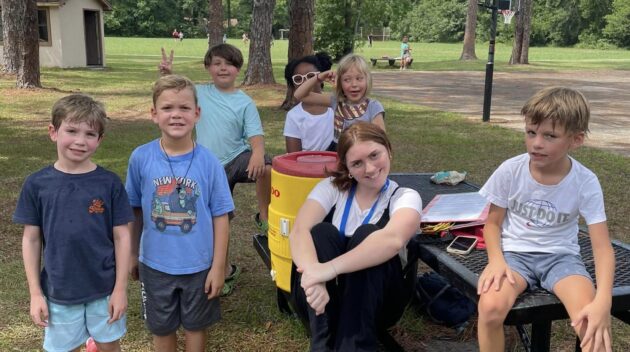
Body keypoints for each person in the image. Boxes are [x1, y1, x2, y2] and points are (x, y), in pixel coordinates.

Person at [476, 87, 615, 352]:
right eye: (531, 132)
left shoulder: (585, 181)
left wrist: (603, 301)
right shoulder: (510, 170)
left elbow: (602, 247)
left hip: (561, 259)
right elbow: (492, 224)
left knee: (590, 322)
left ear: (576, 140)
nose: (536, 143)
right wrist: (496, 261)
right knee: (490, 307)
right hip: (515, 256)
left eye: (550, 136)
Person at [14, 94, 134, 352]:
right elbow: (31, 239)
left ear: (99, 140)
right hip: (60, 290)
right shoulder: (37, 184)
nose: (80, 141)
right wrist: (36, 293)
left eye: (90, 134)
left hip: (104, 288)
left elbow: (122, 237)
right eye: (71, 130)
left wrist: (120, 289)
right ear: (53, 132)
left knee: (108, 346)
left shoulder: (109, 183)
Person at [289, 122, 422, 351]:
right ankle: (322, 343)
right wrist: (314, 276)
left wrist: (329, 269)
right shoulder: (331, 188)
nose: (369, 169)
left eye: (374, 155)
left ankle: (355, 345)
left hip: (377, 302)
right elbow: (299, 231)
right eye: (357, 163)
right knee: (321, 232)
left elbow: (393, 240)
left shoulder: (405, 197)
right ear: (347, 168)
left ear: (388, 149)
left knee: (369, 235)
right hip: (320, 301)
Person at [126, 75, 235, 351]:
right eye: (167, 108)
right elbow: (135, 210)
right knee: (161, 328)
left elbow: (221, 216)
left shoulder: (210, 162)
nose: (176, 115)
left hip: (199, 265)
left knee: (196, 327)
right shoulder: (141, 157)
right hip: (154, 264)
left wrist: (219, 266)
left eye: (184, 108)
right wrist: (131, 254)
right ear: (154, 114)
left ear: (197, 114)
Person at [158, 44, 272, 296]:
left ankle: (263, 214)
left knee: (268, 166)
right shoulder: (199, 92)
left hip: (235, 159)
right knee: (216, 220)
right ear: (208, 67)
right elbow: (175, 95)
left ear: (238, 69)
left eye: (229, 63)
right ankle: (225, 268)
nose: (223, 68)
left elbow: (255, 135)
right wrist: (166, 75)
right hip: (207, 167)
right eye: (217, 62)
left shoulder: (244, 102)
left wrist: (257, 153)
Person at [294, 53, 386, 151]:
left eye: (359, 78)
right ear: (340, 83)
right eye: (347, 80)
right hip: (337, 151)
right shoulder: (336, 101)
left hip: (361, 152)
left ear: (367, 80)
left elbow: (380, 140)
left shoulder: (373, 107)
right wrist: (319, 77)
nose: (354, 84)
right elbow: (300, 95)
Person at [283, 52, 334, 153]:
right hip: (306, 166)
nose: (305, 82)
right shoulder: (294, 115)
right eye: (298, 79)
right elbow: (293, 155)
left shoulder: (335, 105)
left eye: (311, 76)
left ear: (321, 78)